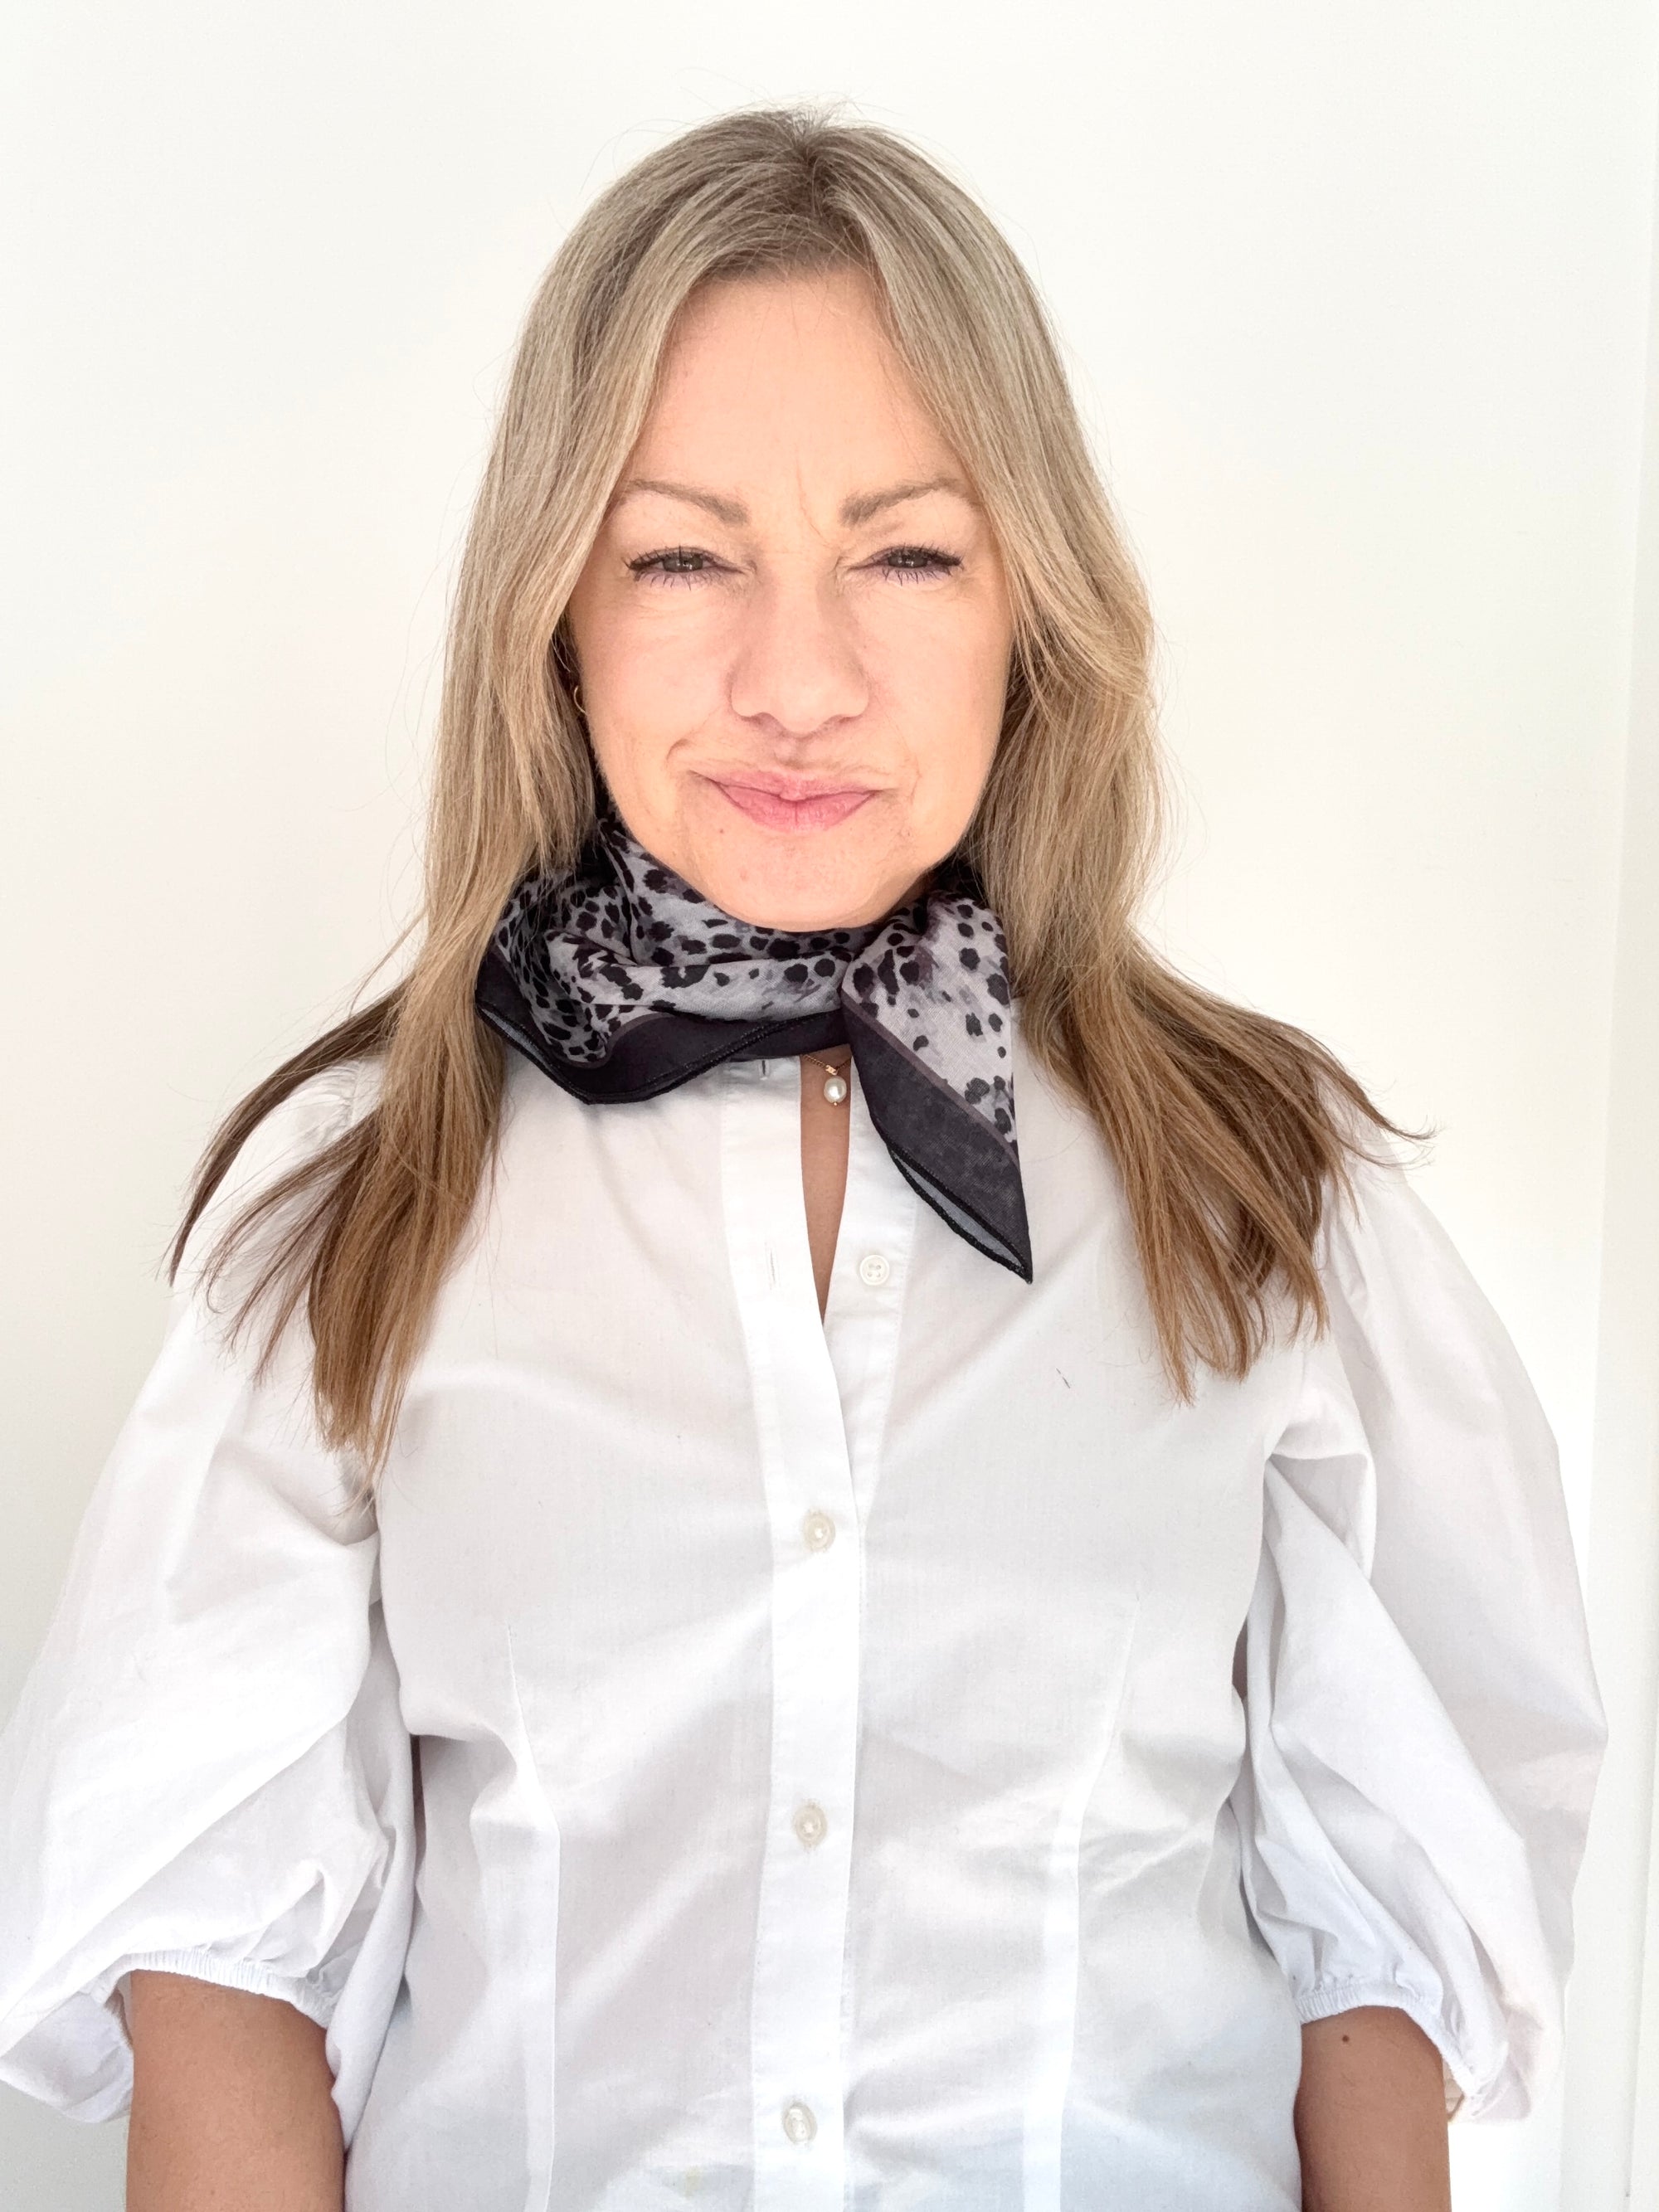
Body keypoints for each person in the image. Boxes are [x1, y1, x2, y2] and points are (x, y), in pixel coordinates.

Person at [0, 102, 1606, 2212]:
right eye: (681, 554)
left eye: (905, 553)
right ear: (550, 612)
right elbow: (212, 1970)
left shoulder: (1266, 1193)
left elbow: (1382, 1950)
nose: (797, 678)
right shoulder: (361, 1202)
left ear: (1033, 605)